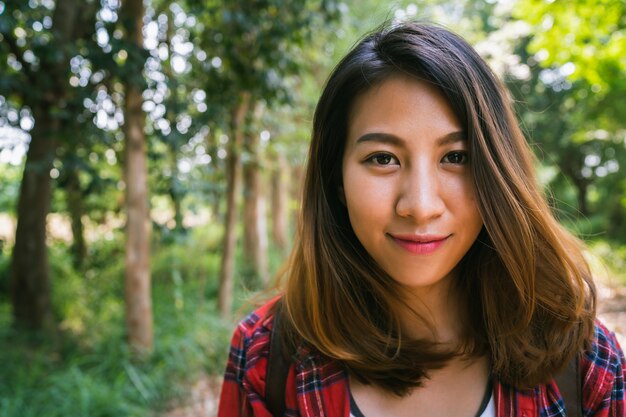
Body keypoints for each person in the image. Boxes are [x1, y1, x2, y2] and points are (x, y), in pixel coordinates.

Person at [217, 21, 625, 417]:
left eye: (455, 158)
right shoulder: (265, 358)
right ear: (335, 178)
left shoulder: (586, 365)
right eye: (383, 159)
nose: (421, 205)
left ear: (498, 173)